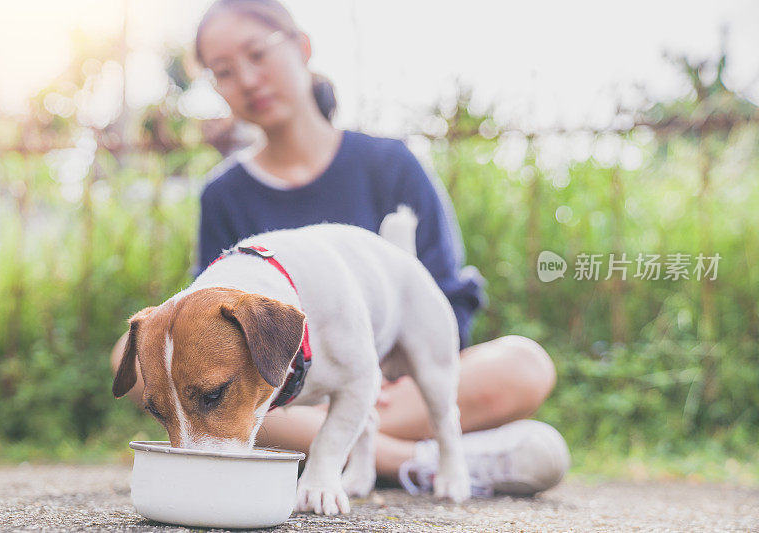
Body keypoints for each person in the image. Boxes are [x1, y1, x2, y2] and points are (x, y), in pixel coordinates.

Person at [111, 0, 569, 497]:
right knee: (138, 359)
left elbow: (442, 295)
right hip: (282, 389)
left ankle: (385, 443)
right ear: (216, 87)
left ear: (302, 48)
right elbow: (203, 324)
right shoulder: (224, 193)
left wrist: (387, 381)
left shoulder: (390, 163)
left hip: (395, 377)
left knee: (525, 362)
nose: (246, 79)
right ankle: (416, 460)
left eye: (257, 54)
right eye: (224, 71)